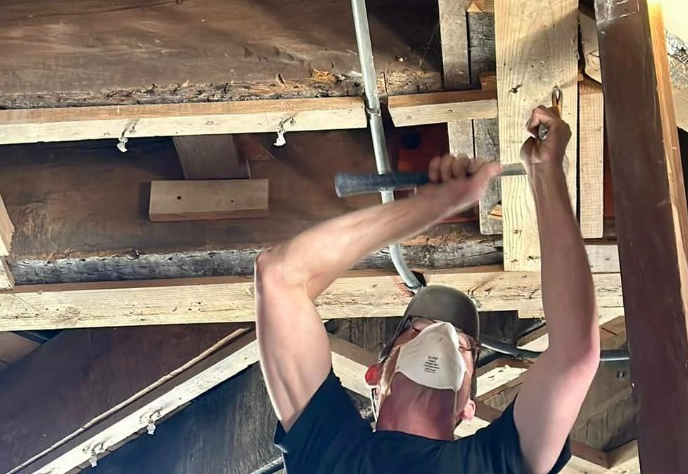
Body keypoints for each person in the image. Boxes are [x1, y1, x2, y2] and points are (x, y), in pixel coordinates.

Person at [255, 102, 601, 473]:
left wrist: (442, 204)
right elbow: (575, 353)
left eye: (461, 342)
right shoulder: (493, 466)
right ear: (376, 376)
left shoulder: (327, 457)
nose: (444, 333)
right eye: (420, 329)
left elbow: (280, 278)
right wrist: (540, 174)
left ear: (467, 407)